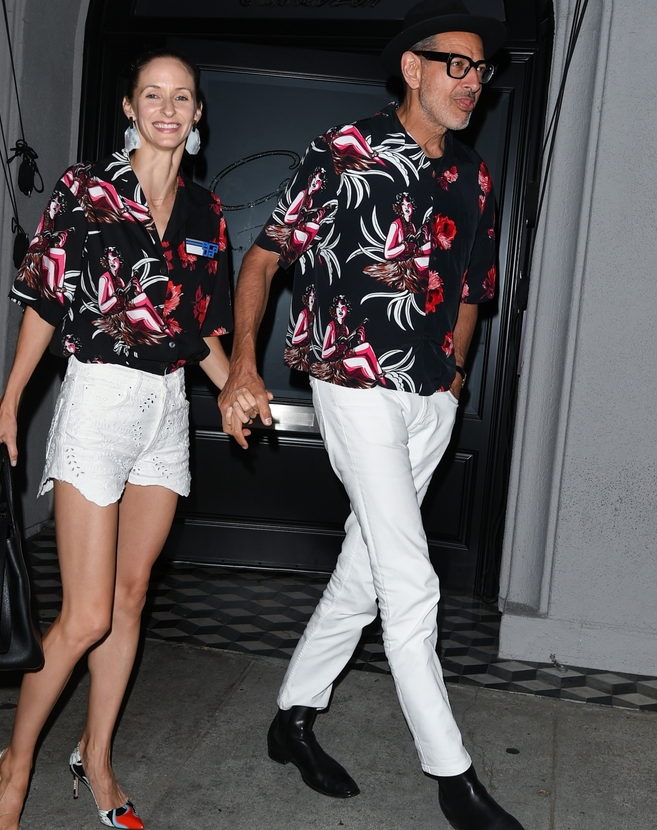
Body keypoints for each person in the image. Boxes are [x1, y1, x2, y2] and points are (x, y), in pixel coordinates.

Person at [218, 2, 526, 828]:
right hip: (351, 384)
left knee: (365, 570)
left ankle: (292, 717)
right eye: (454, 65)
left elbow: (472, 291)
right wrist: (244, 361)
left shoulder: (475, 176)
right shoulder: (344, 150)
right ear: (412, 69)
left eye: (480, 70)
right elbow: (264, 257)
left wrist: (454, 378)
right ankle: (453, 777)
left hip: (431, 400)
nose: (472, 83)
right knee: (410, 580)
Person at [0, 50, 256, 830]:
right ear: (130, 109)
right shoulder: (85, 191)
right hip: (97, 402)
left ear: (197, 114)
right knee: (86, 616)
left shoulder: (208, 215)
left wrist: (233, 387)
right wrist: (10, 406)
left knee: (131, 599)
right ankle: (17, 765)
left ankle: (95, 759)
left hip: (165, 412)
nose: (168, 109)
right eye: (152, 96)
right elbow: (43, 300)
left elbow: (198, 331)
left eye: (183, 98)